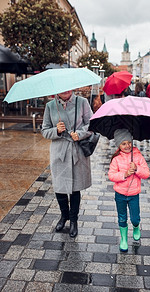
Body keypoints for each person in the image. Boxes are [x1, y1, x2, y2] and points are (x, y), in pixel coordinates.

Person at [41, 90, 93, 238]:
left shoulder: (82, 102)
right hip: (59, 152)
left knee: (75, 188)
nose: (66, 91)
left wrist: (80, 134)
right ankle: (64, 216)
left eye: (68, 88)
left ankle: (74, 220)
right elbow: (44, 131)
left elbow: (91, 124)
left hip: (77, 151)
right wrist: (56, 130)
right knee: (60, 187)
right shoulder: (51, 106)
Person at [108, 129, 150, 252]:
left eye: (129, 142)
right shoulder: (116, 159)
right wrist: (125, 174)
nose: (127, 146)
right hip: (120, 194)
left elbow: (146, 173)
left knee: (135, 218)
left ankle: (136, 227)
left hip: (133, 194)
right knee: (122, 218)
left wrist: (137, 168)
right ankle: (124, 239)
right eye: (123, 143)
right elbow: (111, 175)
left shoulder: (137, 156)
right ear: (118, 145)